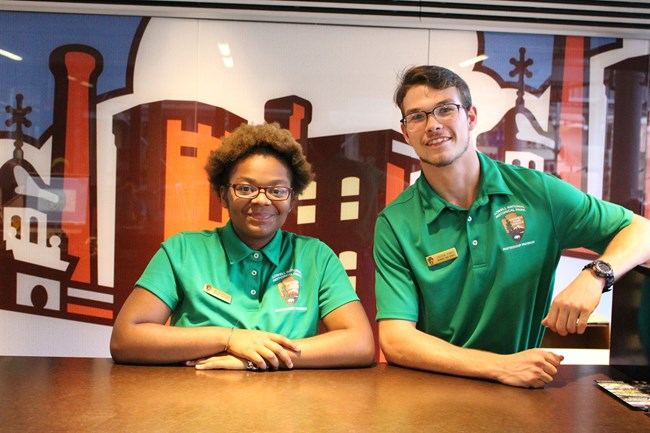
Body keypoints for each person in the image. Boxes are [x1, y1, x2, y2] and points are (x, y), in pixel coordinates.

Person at [374, 65, 650, 388]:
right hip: (436, 391)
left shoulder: (538, 193)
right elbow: (396, 340)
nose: (433, 124)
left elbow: (642, 230)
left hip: (522, 392)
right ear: (406, 133)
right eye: (417, 116)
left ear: (471, 117)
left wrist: (595, 276)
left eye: (445, 109)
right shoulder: (394, 223)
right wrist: (500, 367)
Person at [111, 122, 374, 370]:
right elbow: (126, 339)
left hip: (290, 412)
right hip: (194, 407)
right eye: (246, 188)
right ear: (223, 194)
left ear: (292, 199)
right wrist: (230, 338)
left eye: (277, 190)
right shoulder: (181, 251)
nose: (262, 200)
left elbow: (360, 343)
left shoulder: (316, 257)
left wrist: (259, 358)